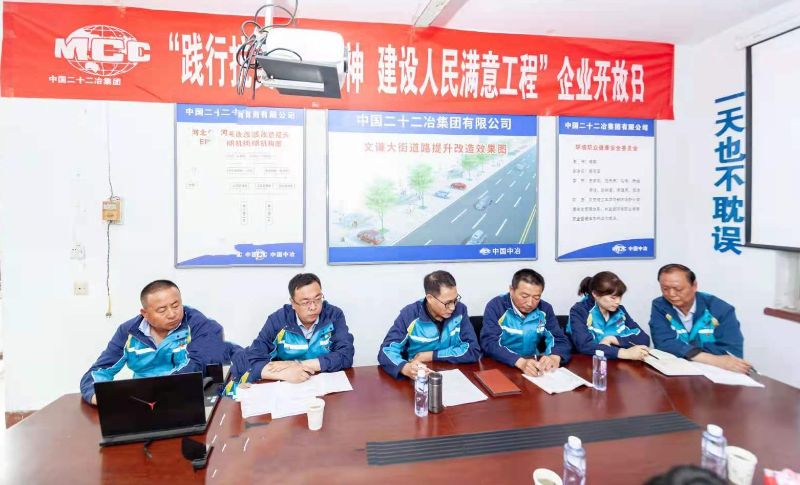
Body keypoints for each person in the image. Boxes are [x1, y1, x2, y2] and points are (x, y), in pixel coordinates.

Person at [80, 280, 235, 405]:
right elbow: (100, 370)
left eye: (176, 305)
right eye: (162, 310)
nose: (172, 314)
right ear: (145, 314)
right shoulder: (128, 332)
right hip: (145, 404)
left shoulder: (199, 325)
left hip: (192, 398)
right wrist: (99, 396)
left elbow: (198, 365)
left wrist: (160, 392)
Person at [230, 273, 354, 385]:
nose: (313, 307)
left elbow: (346, 355)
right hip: (288, 386)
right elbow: (249, 360)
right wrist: (284, 373)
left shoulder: (333, 315)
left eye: (317, 299)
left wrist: (297, 364)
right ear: (293, 303)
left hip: (325, 385)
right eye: (305, 302)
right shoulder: (278, 320)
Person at [650, 263, 751, 373]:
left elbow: (731, 352)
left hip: (716, 373)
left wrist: (682, 350)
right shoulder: (660, 306)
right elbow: (663, 343)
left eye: (678, 289)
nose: (671, 294)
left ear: (694, 286)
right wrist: (711, 358)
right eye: (665, 289)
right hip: (677, 371)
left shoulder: (721, 309)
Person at [378, 270, 480, 379]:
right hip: (420, 375)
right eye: (447, 303)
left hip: (453, 373)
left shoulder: (460, 310)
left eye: (455, 300)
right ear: (430, 299)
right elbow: (386, 351)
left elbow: (472, 350)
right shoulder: (410, 314)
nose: (452, 307)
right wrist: (405, 368)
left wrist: (431, 355)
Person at [480, 268, 571, 376]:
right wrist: (520, 362)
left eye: (536, 297)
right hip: (500, 366)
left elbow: (559, 339)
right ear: (511, 290)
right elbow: (489, 342)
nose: (530, 303)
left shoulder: (545, 309)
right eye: (524, 296)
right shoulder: (496, 306)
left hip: (533, 366)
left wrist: (555, 357)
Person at [567, 271, 651, 360]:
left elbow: (644, 339)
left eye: (620, 297)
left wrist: (612, 339)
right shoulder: (579, 310)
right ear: (595, 294)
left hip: (617, 363)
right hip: (589, 363)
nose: (618, 302)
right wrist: (623, 352)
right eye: (613, 297)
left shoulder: (620, 310)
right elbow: (584, 345)